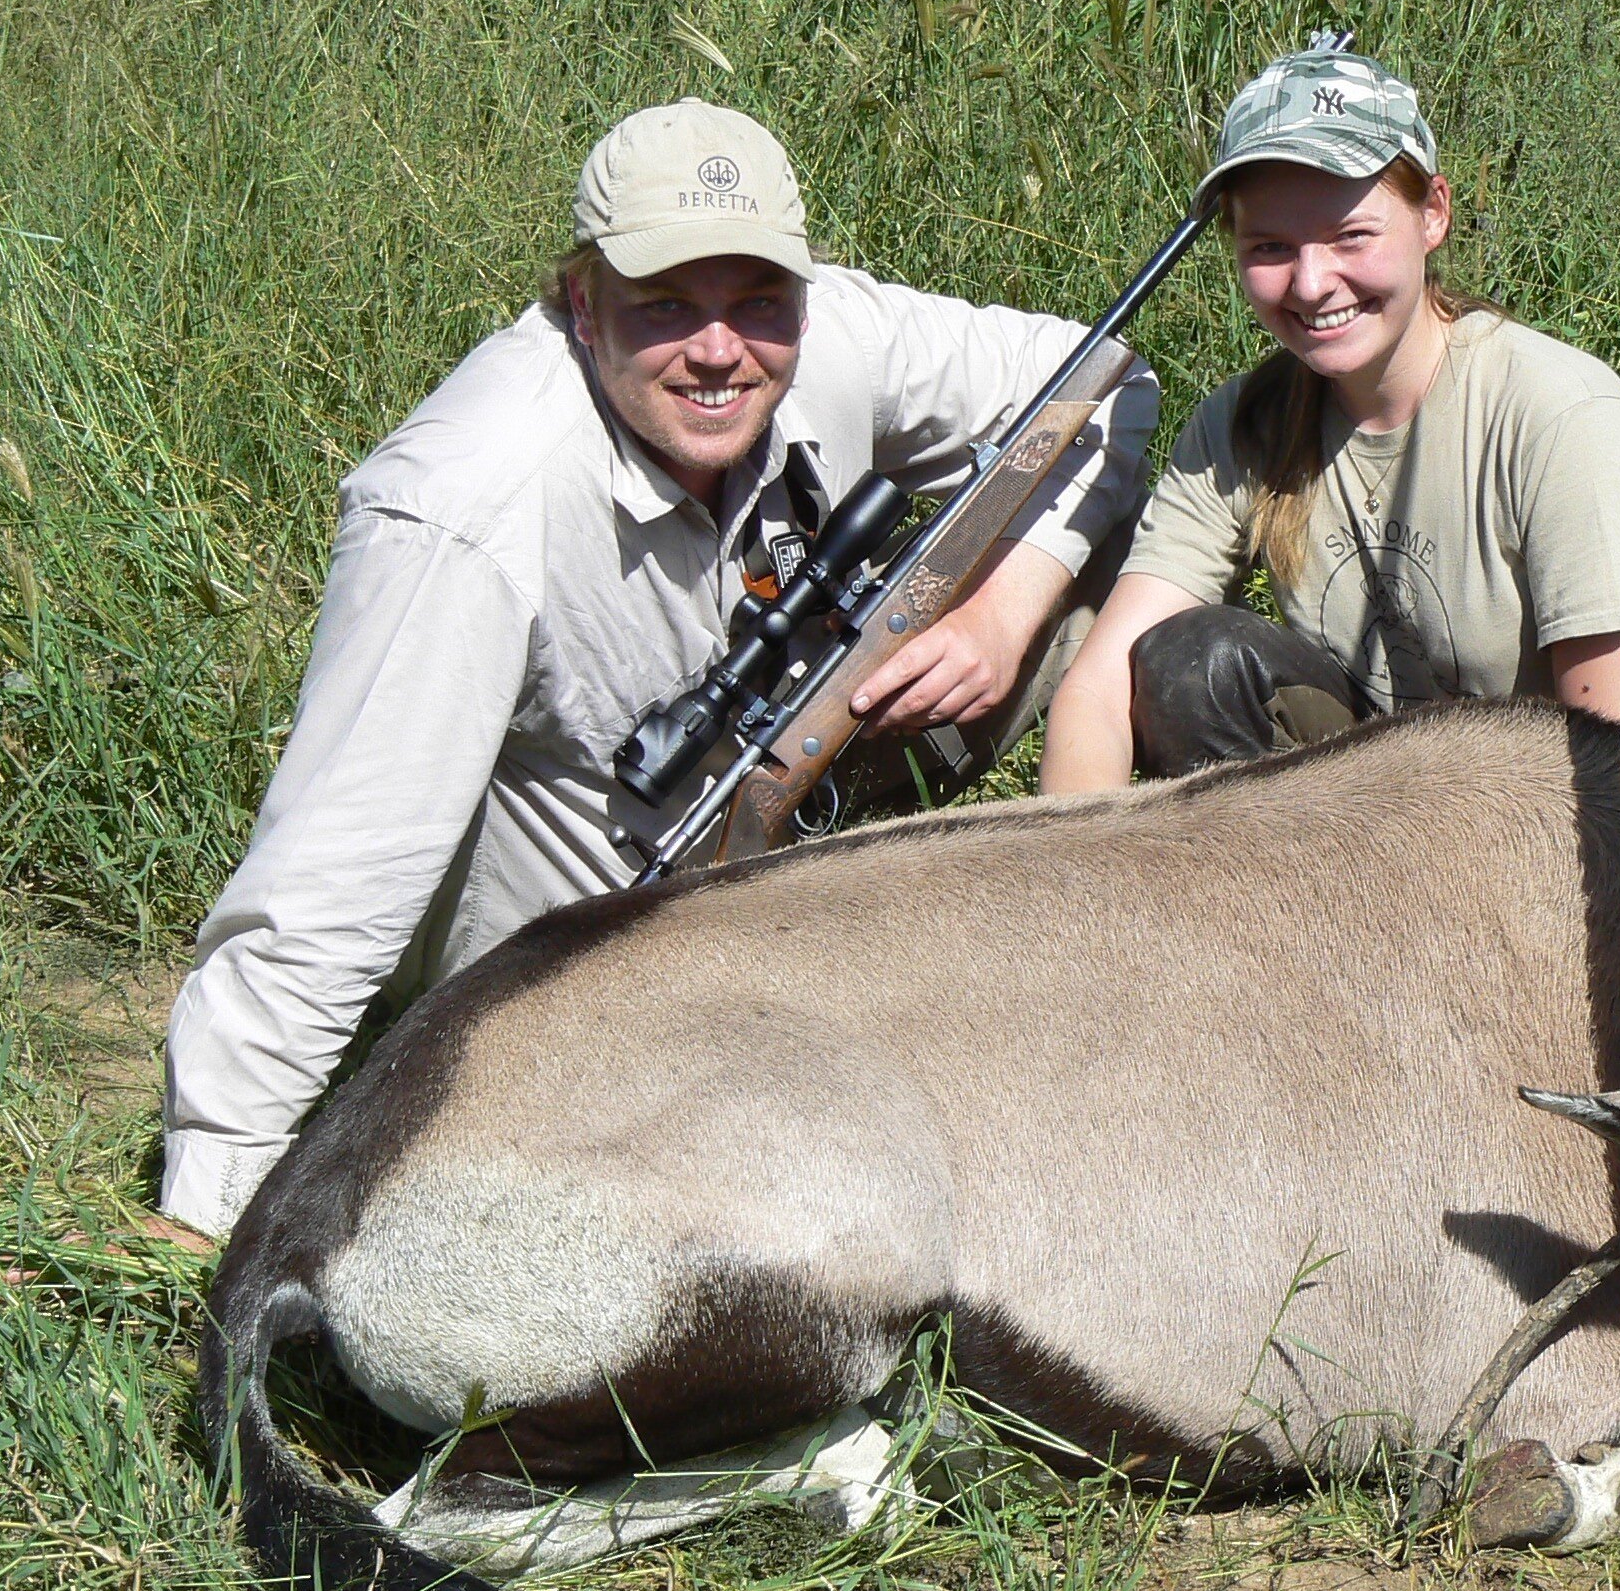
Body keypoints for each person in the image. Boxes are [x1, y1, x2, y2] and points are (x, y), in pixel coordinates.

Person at [156, 99, 1160, 1240]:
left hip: (790, 767)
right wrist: (212, 1209)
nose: (721, 351)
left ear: (802, 287)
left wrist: (994, 615)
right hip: (573, 937)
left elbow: (1106, 382)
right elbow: (331, 881)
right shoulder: (464, 503)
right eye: (665, 305)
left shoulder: (831, 335)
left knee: (1079, 594)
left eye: (757, 301)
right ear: (582, 301)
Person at [1040, 46, 1620, 792]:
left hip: (1573, 830)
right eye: (1270, 247)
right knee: (1191, 664)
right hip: (1396, 815)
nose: (1312, 283)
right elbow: (1100, 688)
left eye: (1351, 235)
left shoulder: (1562, 421)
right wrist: (1069, 890)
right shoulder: (1243, 424)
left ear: (1434, 214)